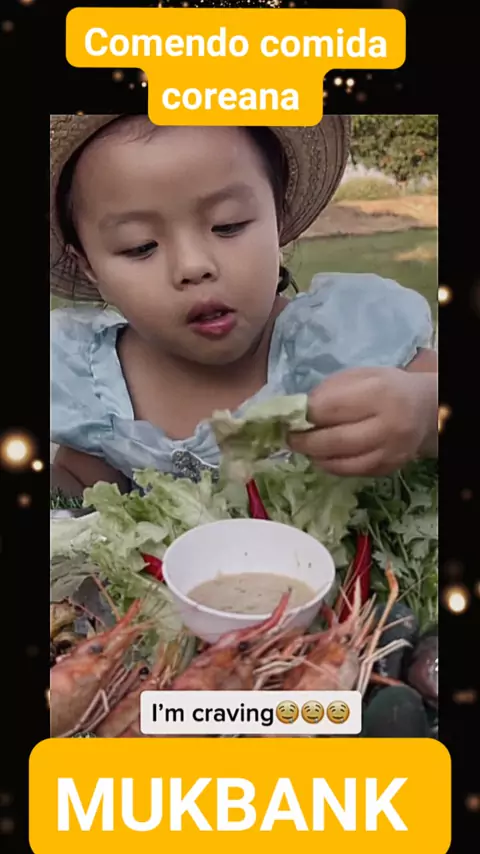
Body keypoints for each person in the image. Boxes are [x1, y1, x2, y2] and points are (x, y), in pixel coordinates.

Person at [50, 114, 437, 497]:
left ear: (278, 217)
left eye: (228, 225)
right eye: (140, 246)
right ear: (89, 266)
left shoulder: (345, 342)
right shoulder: (96, 389)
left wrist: (421, 412)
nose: (193, 266)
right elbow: (77, 489)